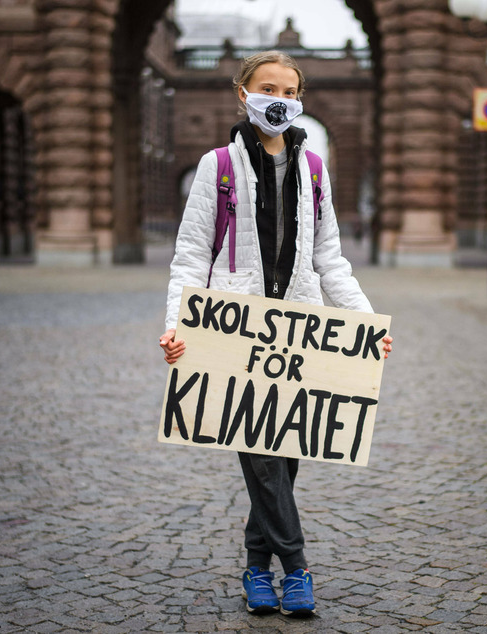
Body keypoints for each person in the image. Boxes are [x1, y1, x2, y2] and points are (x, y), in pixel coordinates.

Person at [158, 51, 392, 618]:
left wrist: (363, 320)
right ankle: (297, 569)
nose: (279, 98)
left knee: (284, 457)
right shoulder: (216, 167)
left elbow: (330, 258)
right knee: (261, 457)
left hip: (300, 333)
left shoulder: (314, 170)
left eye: (289, 89)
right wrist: (175, 325)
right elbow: (191, 256)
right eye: (267, 87)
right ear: (243, 92)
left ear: (300, 98)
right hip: (233, 334)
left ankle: (254, 567)